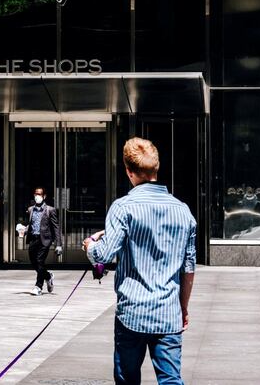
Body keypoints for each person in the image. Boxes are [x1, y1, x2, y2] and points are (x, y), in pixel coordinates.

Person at [83, 138, 196, 385]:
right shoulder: (183, 211)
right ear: (156, 169)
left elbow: (103, 255)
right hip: (168, 312)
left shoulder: (123, 207)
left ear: (128, 171)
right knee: (170, 380)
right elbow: (189, 269)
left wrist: (91, 245)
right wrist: (183, 307)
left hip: (132, 312)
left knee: (127, 379)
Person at [24, 187, 62, 296]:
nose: (37, 196)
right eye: (36, 194)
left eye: (39, 194)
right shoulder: (31, 209)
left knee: (40, 261)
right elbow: (31, 225)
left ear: (44, 196)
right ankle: (48, 276)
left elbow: (56, 227)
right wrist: (24, 230)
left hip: (45, 240)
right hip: (33, 239)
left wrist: (59, 244)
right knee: (34, 262)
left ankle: (38, 287)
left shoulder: (50, 210)